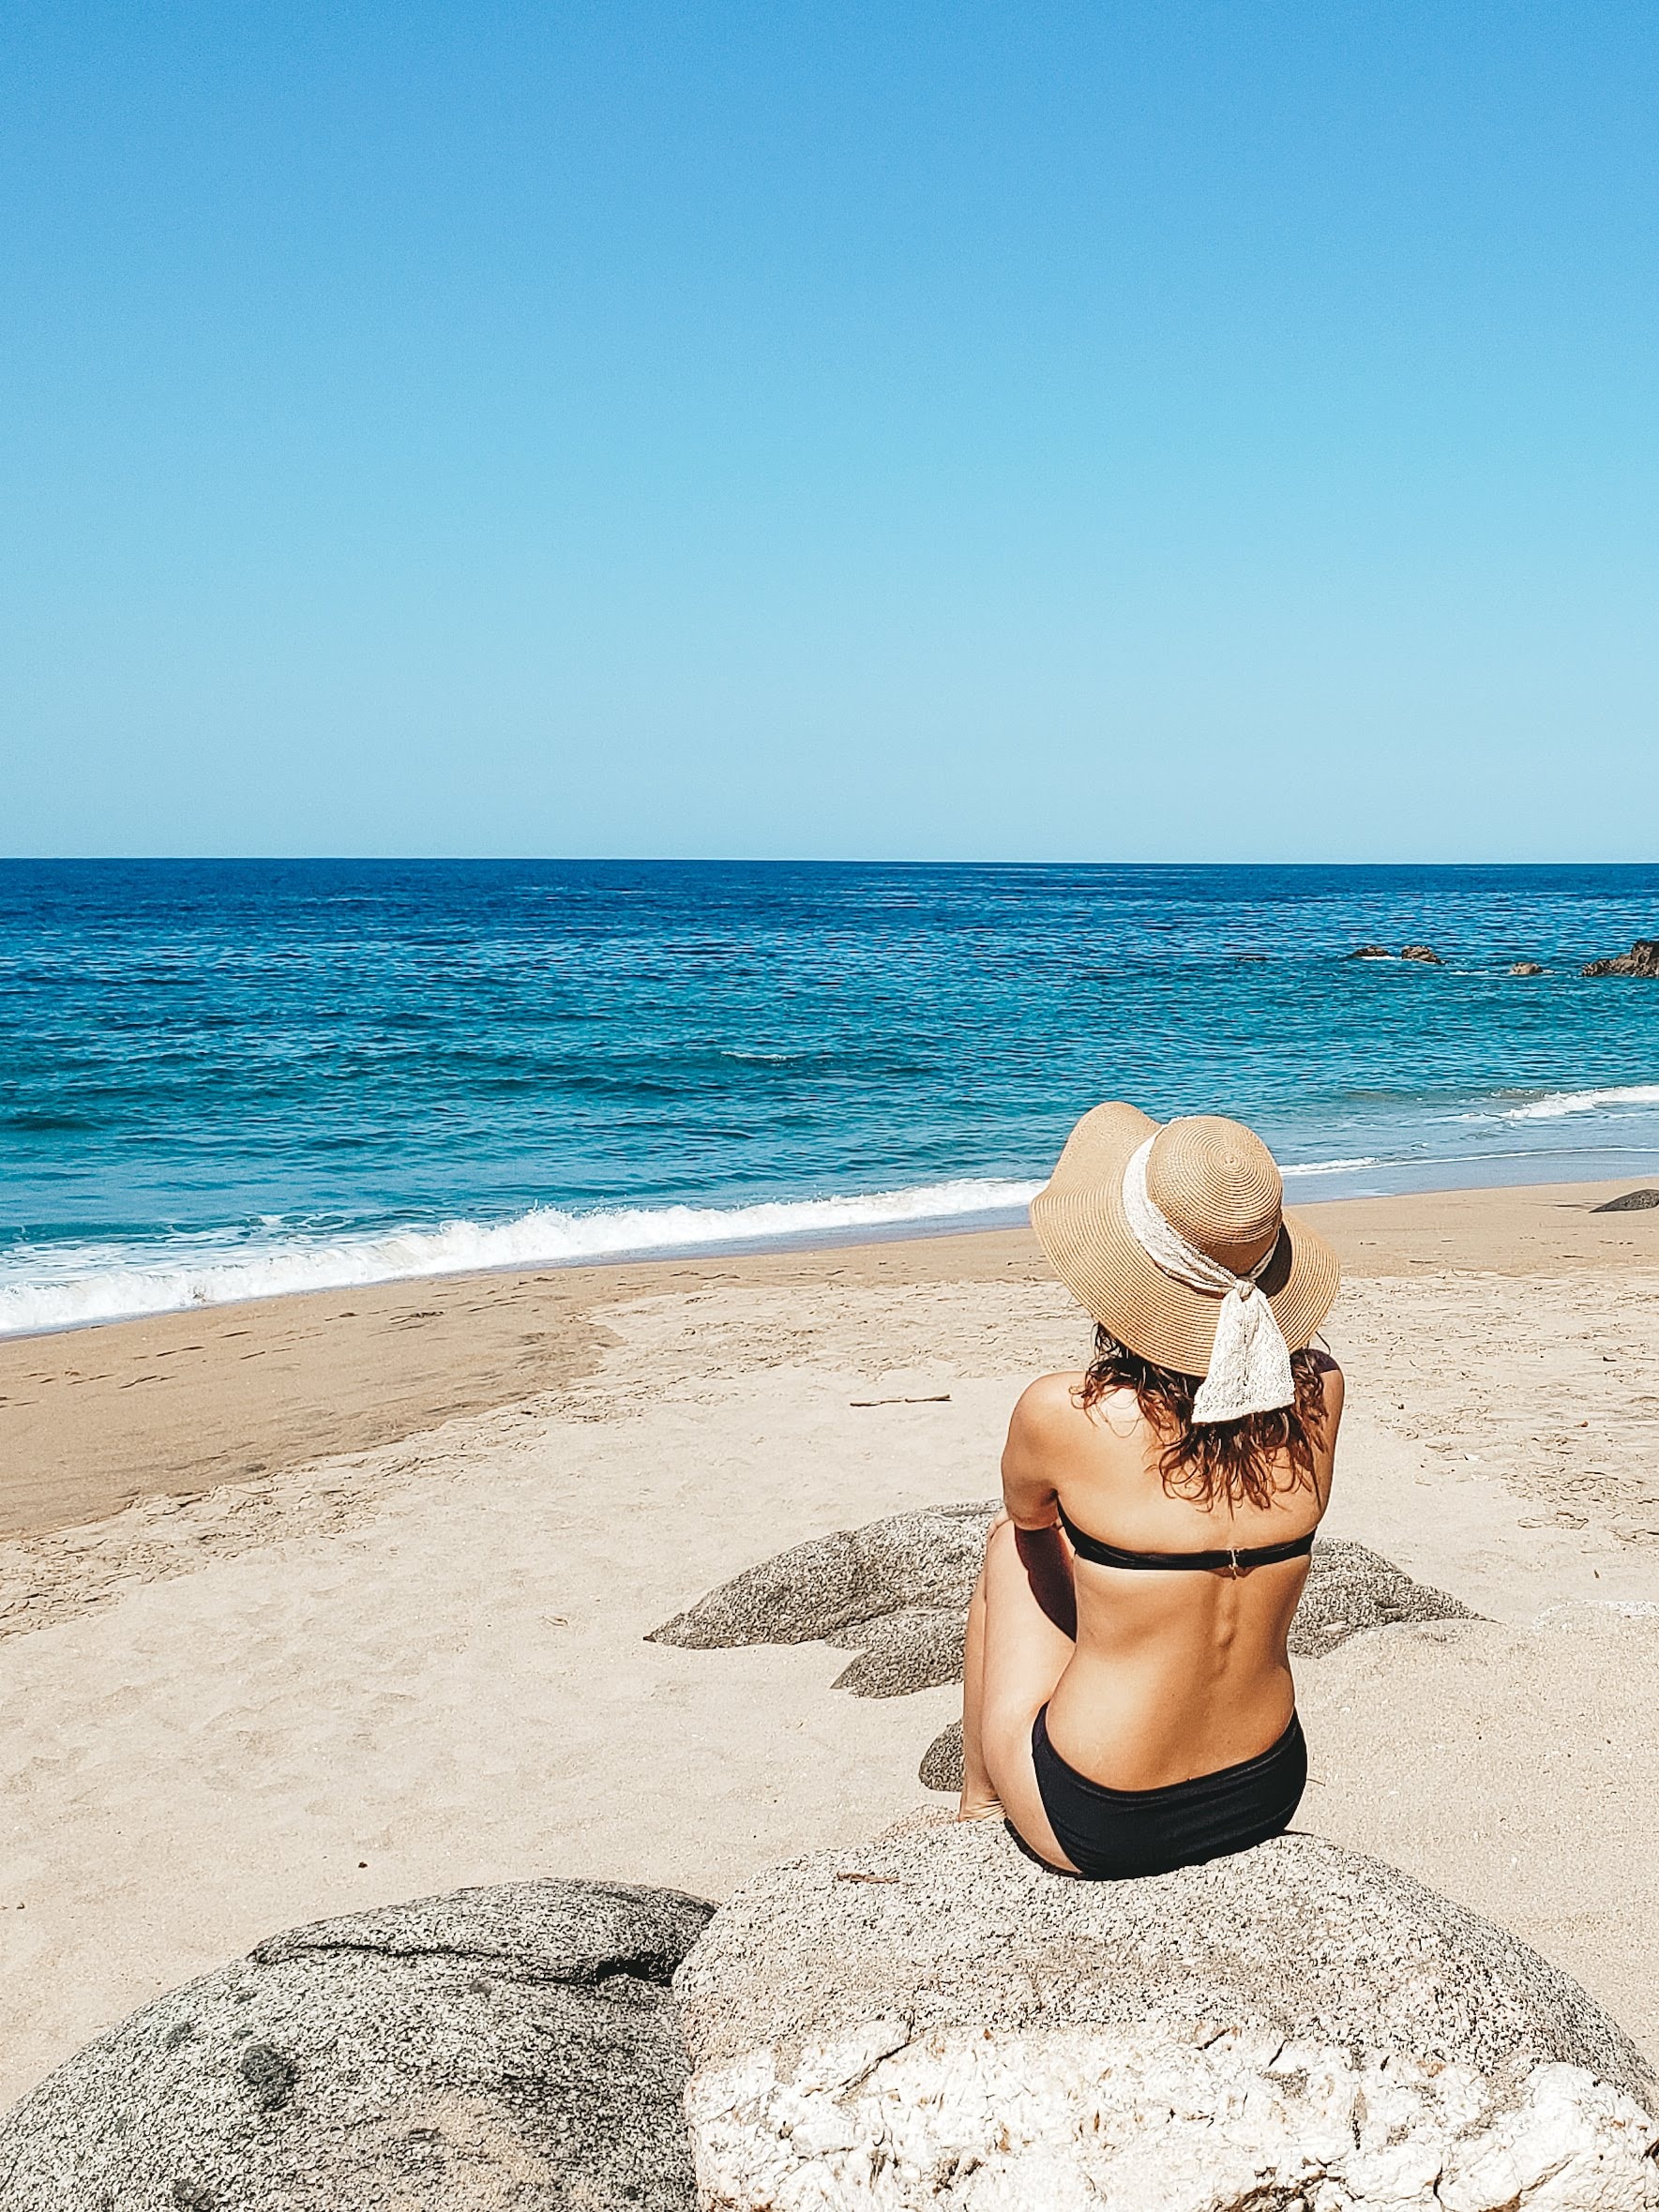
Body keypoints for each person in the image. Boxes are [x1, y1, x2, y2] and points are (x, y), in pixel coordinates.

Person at [958, 1101, 1344, 1878]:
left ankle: (976, 1805)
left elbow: (1027, 1512)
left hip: (1099, 1813)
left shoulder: (1063, 1411)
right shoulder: (1321, 1393)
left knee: (1013, 1544)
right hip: (1267, 1785)